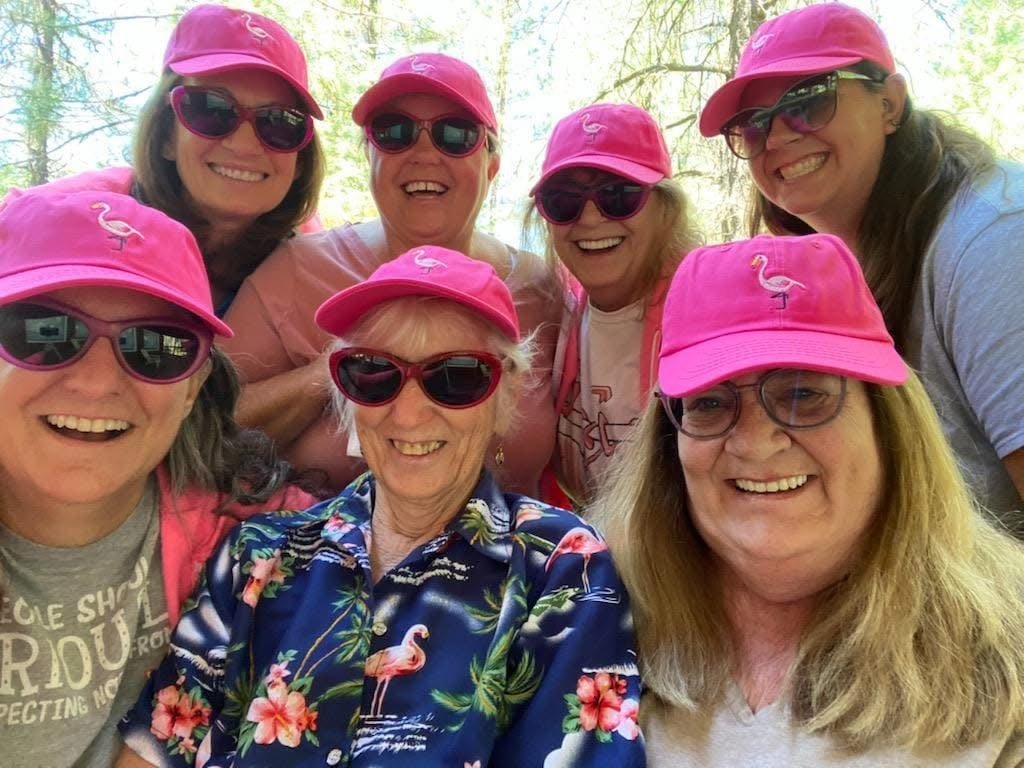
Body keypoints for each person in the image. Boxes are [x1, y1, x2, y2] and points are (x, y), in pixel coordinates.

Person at [117, 246, 644, 767]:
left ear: (505, 394)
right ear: (345, 394)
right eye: (373, 372)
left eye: (457, 377)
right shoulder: (256, 554)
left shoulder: (560, 565)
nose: (409, 415)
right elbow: (154, 752)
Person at [592, 233, 1024, 766]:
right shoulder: (591, 618)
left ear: (887, 423)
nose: (755, 443)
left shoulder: (1010, 649)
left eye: (803, 393)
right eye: (710, 402)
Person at [0, 189, 317, 767]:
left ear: (193, 386)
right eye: (43, 330)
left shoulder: (252, 533)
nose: (97, 382)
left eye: (157, 347)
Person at [697, 2, 1024, 529]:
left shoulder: (994, 238)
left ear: (890, 103)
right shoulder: (824, 268)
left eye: (808, 101)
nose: (776, 137)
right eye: (751, 125)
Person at [221, 52, 561, 495]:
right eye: (393, 131)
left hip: (518, 539)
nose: (424, 153)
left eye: (455, 134)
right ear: (369, 155)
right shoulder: (295, 271)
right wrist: (342, 371)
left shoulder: (542, 288)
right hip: (320, 537)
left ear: (491, 166)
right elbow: (204, 423)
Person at [7, 3, 325, 317]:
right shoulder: (54, 219)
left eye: (279, 122)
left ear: (300, 158)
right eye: (211, 109)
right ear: (165, 135)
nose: (244, 145)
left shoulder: (312, 259)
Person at [525, 102, 700, 506]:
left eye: (618, 195)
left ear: (665, 209)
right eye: (563, 201)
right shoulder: (558, 315)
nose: (589, 218)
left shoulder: (707, 317)